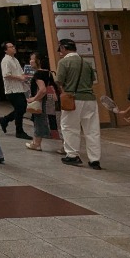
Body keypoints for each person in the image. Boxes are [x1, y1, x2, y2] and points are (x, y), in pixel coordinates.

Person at [56, 39, 100, 169]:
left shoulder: (64, 62)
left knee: (69, 127)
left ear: (63, 48)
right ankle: (94, 160)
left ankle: (72, 155)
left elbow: (59, 81)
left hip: (72, 99)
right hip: (90, 99)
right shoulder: (86, 63)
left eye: (60, 49)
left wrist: (64, 92)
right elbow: (92, 81)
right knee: (92, 130)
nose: (60, 52)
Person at [25, 52, 63, 153]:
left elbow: (42, 90)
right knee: (56, 123)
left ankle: (36, 144)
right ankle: (64, 146)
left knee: (39, 120)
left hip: (42, 102)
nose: (30, 61)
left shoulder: (38, 74)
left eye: (32, 59)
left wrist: (34, 99)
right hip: (52, 102)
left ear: (38, 61)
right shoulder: (48, 72)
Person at [0, 42, 31, 140]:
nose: (13, 48)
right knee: (20, 108)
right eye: (11, 47)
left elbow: (19, 72)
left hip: (19, 87)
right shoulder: (6, 61)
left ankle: (5, 120)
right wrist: (20, 77)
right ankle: (19, 130)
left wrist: (24, 77)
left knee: (21, 108)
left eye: (13, 46)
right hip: (12, 89)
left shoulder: (15, 59)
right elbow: (6, 74)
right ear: (5, 50)